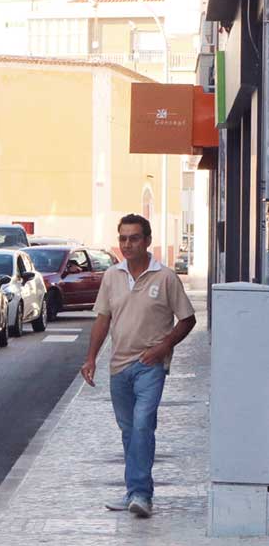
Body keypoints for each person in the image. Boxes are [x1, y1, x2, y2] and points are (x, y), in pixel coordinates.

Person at [80, 214, 196, 519]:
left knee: (144, 424)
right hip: (118, 367)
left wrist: (163, 347)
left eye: (133, 238)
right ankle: (133, 490)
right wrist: (91, 358)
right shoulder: (111, 277)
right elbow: (103, 319)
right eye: (122, 238)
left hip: (150, 365)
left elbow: (187, 319)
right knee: (129, 431)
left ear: (147, 241)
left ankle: (142, 495)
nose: (127, 244)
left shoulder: (166, 277)